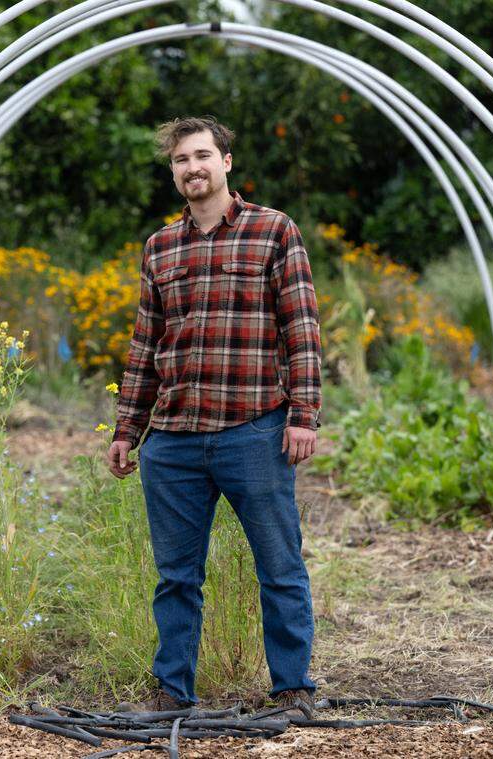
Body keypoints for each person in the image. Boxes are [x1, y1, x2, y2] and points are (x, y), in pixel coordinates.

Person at [106, 115, 322, 719]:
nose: (192, 168)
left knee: (278, 565)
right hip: (172, 442)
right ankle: (171, 693)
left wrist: (303, 415)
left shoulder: (273, 232)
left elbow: (301, 330)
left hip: (252, 429)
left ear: (226, 162)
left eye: (202, 155)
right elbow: (146, 346)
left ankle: (293, 691)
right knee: (176, 576)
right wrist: (128, 429)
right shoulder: (160, 248)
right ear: (173, 171)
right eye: (180, 160)